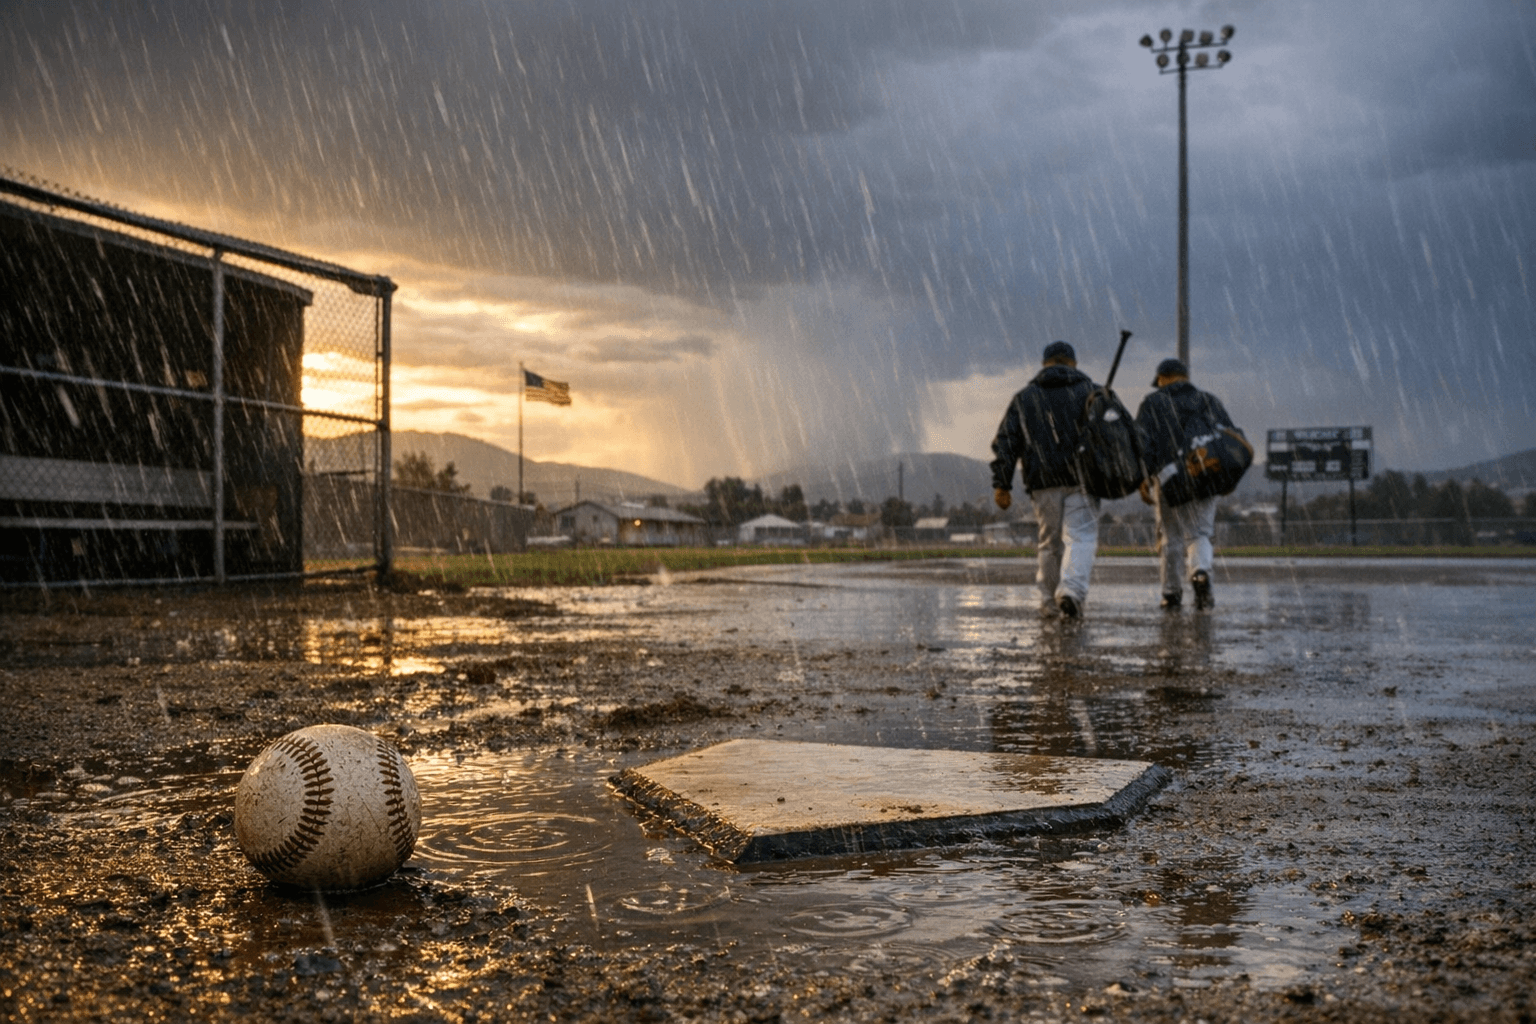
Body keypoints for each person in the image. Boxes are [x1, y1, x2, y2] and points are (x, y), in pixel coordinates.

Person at [990, 340, 1101, 619]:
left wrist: (1002, 483)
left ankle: (1049, 602)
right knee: (1081, 537)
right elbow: (1114, 438)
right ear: (1073, 363)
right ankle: (1072, 592)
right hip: (1083, 480)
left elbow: (1006, 442)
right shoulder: (1093, 393)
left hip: (1043, 481)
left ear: (1044, 364)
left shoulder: (1025, 397)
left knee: (1050, 543)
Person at [1135, 357, 1236, 610]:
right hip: (1204, 472)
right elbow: (1228, 439)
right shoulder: (1208, 400)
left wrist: (1144, 477)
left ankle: (1171, 593)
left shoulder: (1153, 402)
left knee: (1171, 538)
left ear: (1161, 379)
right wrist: (1227, 476)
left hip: (1170, 477)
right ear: (1185, 377)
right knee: (1200, 533)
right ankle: (1200, 572)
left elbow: (1143, 444)